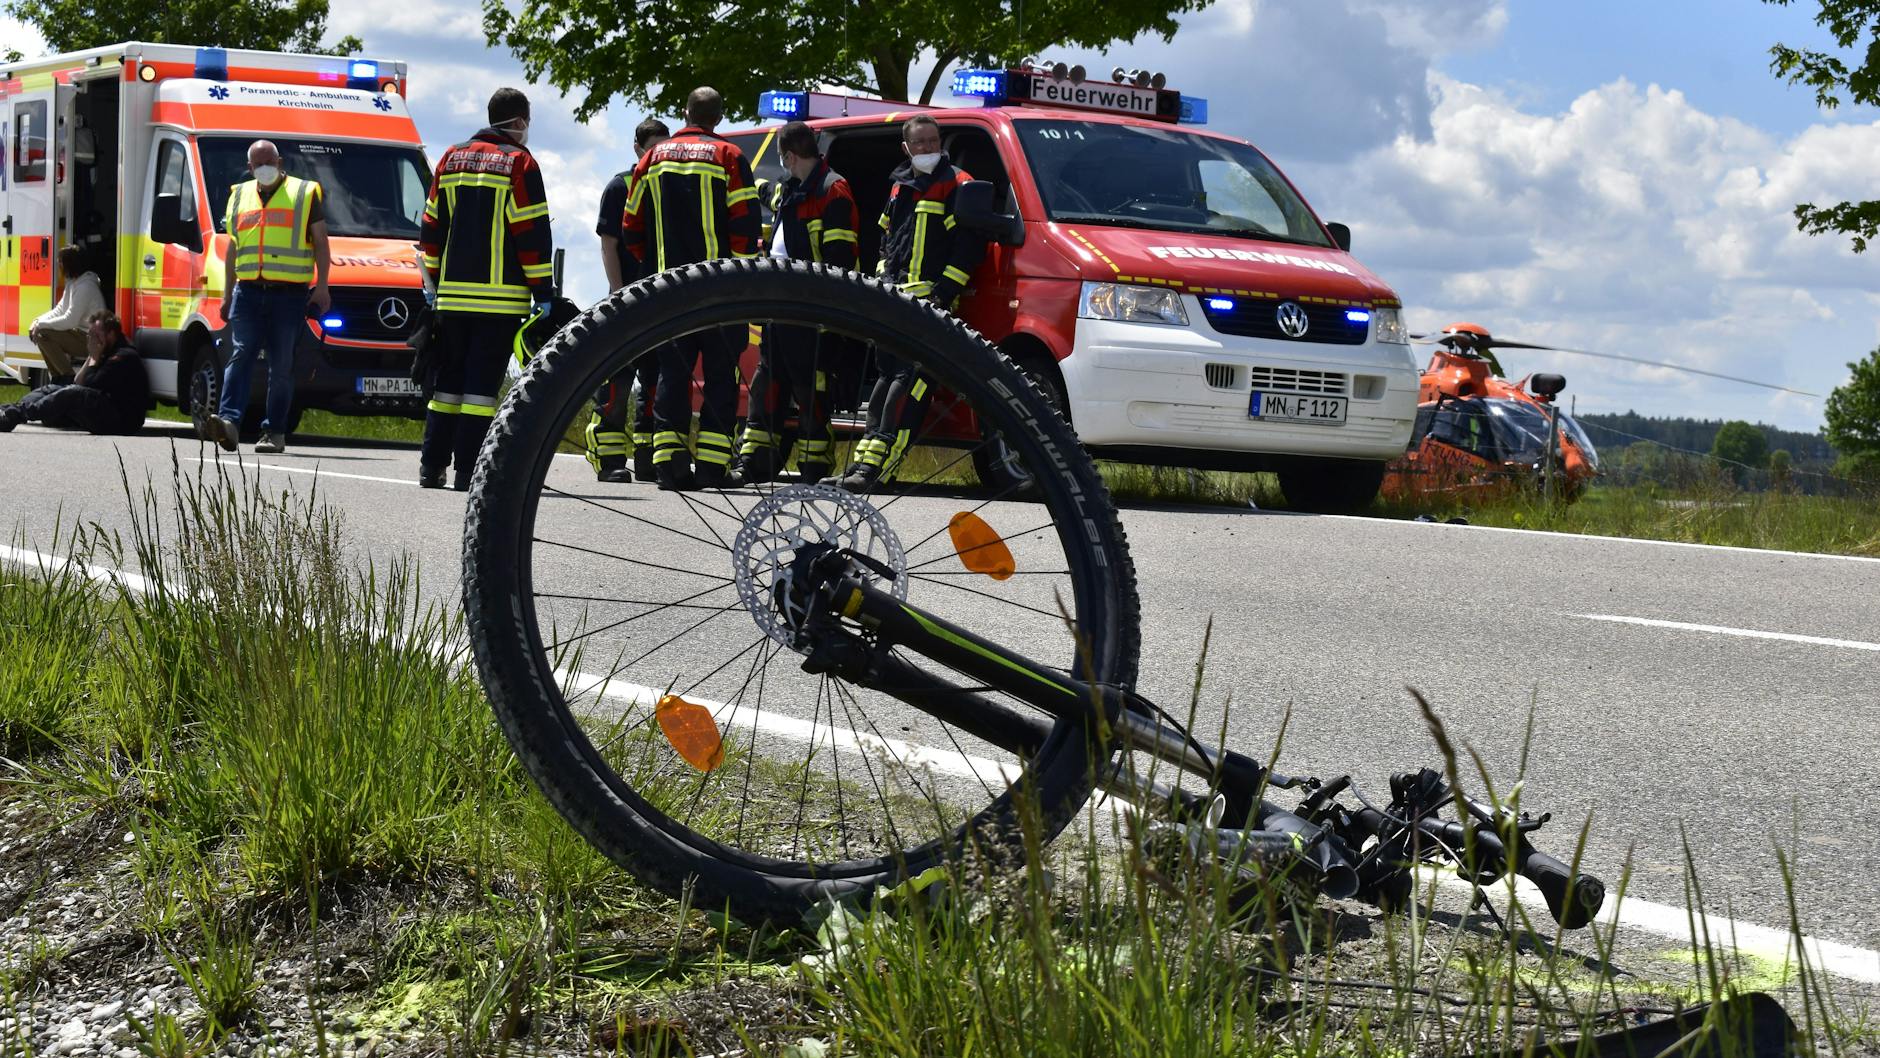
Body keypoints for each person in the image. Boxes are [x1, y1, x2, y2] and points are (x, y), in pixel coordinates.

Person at [827, 115, 985, 492]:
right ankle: (863, 463)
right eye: (921, 143)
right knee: (885, 380)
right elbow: (887, 239)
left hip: (930, 307)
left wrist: (942, 295)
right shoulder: (900, 187)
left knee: (908, 385)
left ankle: (881, 469)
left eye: (933, 141)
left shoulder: (957, 185)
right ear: (907, 148)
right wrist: (883, 282)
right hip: (895, 302)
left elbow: (968, 250)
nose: (929, 148)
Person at [416, 87, 556, 490]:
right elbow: (530, 232)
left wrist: (432, 280)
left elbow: (431, 226)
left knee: (446, 386)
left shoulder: (450, 157)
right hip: (501, 300)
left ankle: (431, 466)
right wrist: (542, 290)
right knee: (480, 390)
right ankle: (467, 472)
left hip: (452, 297)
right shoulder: (520, 162)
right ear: (519, 121)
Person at [621, 86, 760, 490]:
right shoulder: (730, 156)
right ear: (719, 117)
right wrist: (736, 275)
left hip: (668, 290)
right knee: (720, 377)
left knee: (671, 375)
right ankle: (714, 469)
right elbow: (746, 228)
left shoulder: (651, 158)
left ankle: (670, 468)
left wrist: (654, 267)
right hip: (720, 292)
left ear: (685, 112)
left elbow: (631, 226)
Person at [730, 120, 857, 487]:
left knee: (810, 387)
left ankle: (814, 466)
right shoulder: (793, 189)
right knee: (768, 381)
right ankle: (757, 461)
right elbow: (766, 192)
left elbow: (840, 261)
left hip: (813, 311)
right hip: (779, 307)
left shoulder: (833, 191)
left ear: (787, 155)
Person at [211, 139, 332, 456]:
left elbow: (320, 241)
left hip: (289, 294)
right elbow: (233, 248)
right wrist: (227, 294)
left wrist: (322, 287)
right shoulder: (239, 195)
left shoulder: (304, 193)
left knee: (281, 367)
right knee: (241, 355)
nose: (265, 166)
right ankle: (229, 423)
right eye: (258, 162)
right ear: (249, 167)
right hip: (248, 292)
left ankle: (274, 432)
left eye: (270, 160)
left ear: (280, 161)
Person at [586, 117, 670, 484]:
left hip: (660, 299)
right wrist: (619, 292)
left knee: (654, 383)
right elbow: (609, 244)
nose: (658, 154)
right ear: (637, 148)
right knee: (617, 385)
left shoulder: (668, 184)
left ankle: (647, 457)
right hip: (626, 297)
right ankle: (609, 460)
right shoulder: (620, 186)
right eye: (653, 147)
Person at [0, 310, 147, 435]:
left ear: (111, 334)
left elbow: (88, 386)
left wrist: (94, 358)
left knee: (72, 393)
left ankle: (16, 416)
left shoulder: (123, 356)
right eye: (90, 334)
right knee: (52, 390)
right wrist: (91, 355)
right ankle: (7, 410)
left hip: (122, 421)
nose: (92, 339)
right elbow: (78, 381)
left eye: (96, 334)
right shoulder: (105, 350)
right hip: (106, 411)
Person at [27, 246, 105, 383]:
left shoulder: (86, 287)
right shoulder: (73, 283)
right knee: (41, 332)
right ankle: (57, 378)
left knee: (42, 333)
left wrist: (40, 325)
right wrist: (37, 321)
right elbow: (60, 310)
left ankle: (66, 378)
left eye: (61, 262)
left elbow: (70, 320)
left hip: (92, 339)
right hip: (81, 335)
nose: (59, 266)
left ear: (70, 263)